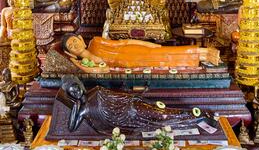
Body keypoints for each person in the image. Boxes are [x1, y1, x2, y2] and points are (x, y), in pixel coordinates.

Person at [57, 75, 213, 137]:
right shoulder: (83, 109)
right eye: (73, 92)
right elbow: (71, 128)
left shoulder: (96, 91)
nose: (77, 92)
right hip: (128, 121)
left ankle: (195, 116)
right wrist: (76, 106)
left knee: (162, 114)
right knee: (160, 120)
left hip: (131, 106)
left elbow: (115, 95)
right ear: (71, 95)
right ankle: (195, 117)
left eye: (77, 87)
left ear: (80, 85)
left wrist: (132, 98)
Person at [62, 33, 220, 70]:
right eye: (71, 46)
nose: (75, 45)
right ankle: (201, 55)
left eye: (75, 41)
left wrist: (148, 44)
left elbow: (123, 42)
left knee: (165, 52)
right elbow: (99, 68)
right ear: (70, 53)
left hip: (132, 51)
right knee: (165, 62)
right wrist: (77, 62)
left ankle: (203, 53)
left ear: (81, 39)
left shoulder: (95, 42)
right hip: (129, 64)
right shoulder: (83, 63)